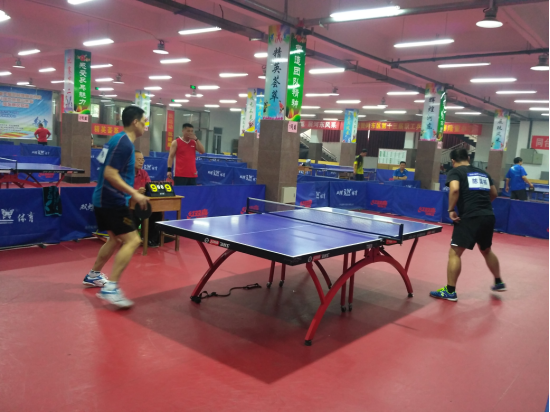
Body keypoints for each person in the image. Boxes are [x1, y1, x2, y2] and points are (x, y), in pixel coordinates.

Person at [83, 106, 149, 309]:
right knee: (133, 240)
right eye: (144, 122)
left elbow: (104, 168)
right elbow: (110, 173)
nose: (145, 126)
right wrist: (135, 193)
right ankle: (111, 288)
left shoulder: (116, 139)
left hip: (104, 198)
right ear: (135, 122)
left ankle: (94, 275)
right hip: (111, 200)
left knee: (114, 239)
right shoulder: (124, 144)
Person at [430, 148, 505, 302]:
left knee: (455, 252)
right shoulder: (483, 173)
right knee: (486, 250)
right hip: (488, 215)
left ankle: (450, 291)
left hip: (470, 217)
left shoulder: (456, 171)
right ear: (468, 158)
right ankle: (498, 281)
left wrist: (451, 209)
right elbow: (494, 193)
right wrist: (482, 207)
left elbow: (454, 190)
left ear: (452, 161)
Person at [133, 151, 162, 247]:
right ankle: (131, 239)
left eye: (142, 160)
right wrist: (136, 192)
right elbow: (123, 190)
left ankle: (151, 239)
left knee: (157, 213)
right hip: (129, 204)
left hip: (143, 203)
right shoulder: (126, 174)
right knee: (134, 215)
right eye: (139, 160)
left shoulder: (144, 173)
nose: (141, 162)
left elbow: (150, 186)